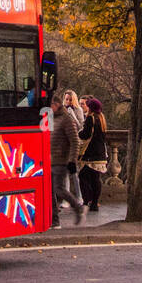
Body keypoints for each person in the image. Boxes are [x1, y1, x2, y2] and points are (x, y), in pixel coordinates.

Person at [49, 95, 84, 226]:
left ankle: (77, 207)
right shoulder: (51, 119)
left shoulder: (66, 119)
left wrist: (72, 160)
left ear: (57, 104)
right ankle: (54, 220)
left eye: (51, 104)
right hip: (49, 160)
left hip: (61, 160)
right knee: (50, 192)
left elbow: (75, 141)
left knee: (58, 189)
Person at [77, 98, 108, 212]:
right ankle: (94, 202)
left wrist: (79, 132)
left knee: (83, 176)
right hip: (101, 153)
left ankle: (87, 200)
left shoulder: (91, 118)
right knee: (95, 178)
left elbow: (85, 135)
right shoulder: (101, 117)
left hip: (91, 153)